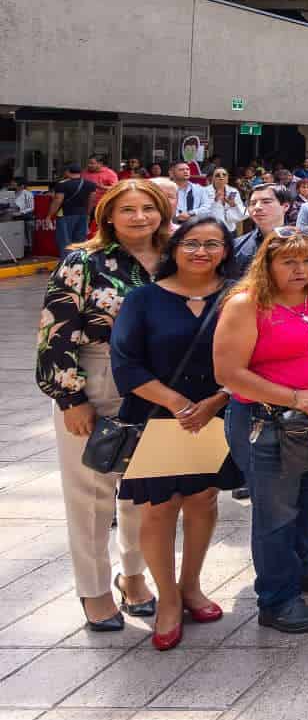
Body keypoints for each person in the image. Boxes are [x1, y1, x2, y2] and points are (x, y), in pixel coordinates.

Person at [36, 179, 166, 631]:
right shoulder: (82, 262)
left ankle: (133, 576)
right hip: (98, 377)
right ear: (107, 215)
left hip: (158, 387)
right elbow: (56, 332)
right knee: (92, 493)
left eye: (147, 208)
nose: (138, 217)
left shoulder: (175, 259)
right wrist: (71, 398)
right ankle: (93, 590)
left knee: (143, 493)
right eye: (127, 209)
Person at [109, 216, 241, 650]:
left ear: (227, 250)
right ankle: (167, 599)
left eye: (213, 244)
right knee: (159, 508)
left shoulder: (238, 296)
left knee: (204, 500)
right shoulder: (143, 299)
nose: (201, 251)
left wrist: (216, 401)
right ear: (174, 248)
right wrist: (178, 404)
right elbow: (126, 364)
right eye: (192, 243)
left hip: (218, 413)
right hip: (158, 415)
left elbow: (254, 355)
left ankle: (191, 587)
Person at [45, 163, 95, 252]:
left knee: (65, 242)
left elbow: (57, 201)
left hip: (65, 215)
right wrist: (88, 214)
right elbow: (91, 201)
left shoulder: (62, 185)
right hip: (82, 215)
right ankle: (79, 263)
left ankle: (67, 263)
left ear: (67, 172)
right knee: (80, 242)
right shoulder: (90, 184)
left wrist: (49, 216)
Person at [203, 168, 246, 233]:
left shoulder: (233, 191)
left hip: (230, 229)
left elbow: (241, 211)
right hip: (212, 230)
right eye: (218, 175)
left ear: (227, 179)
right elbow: (201, 212)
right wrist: (215, 200)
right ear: (213, 179)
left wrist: (233, 204)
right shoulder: (204, 191)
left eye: (224, 175)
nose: (221, 177)